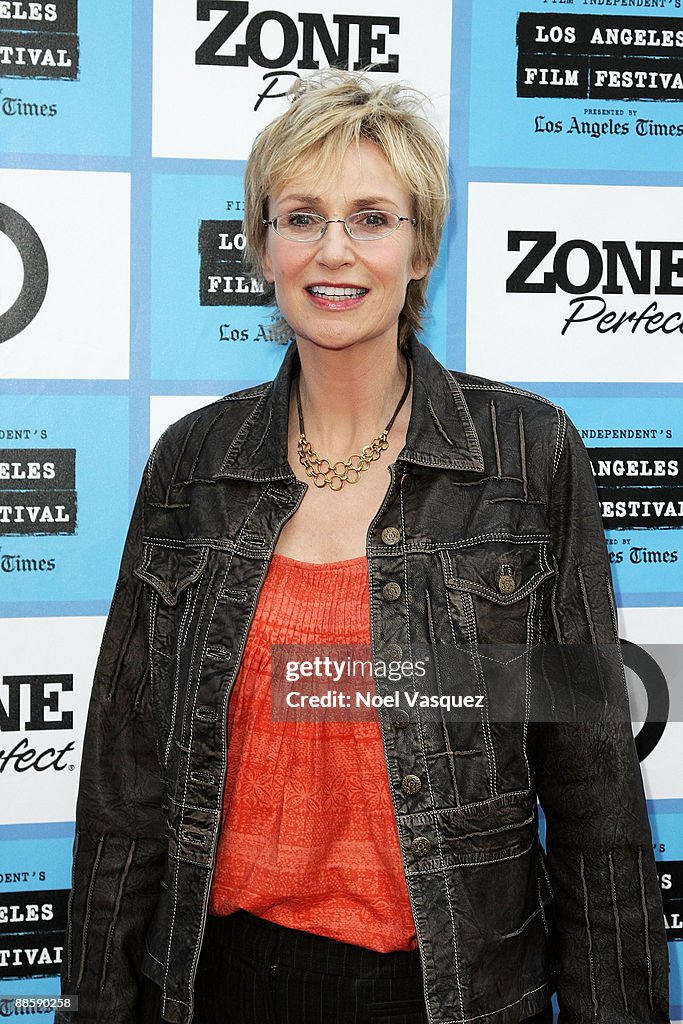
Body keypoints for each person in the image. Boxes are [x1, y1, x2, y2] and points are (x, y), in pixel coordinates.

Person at [57, 70, 670, 1024]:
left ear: (421, 246)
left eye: (371, 217)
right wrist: (92, 1005)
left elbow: (594, 800)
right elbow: (126, 780)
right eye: (300, 216)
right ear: (260, 245)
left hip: (448, 992)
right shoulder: (194, 464)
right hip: (215, 982)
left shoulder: (526, 454)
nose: (332, 250)